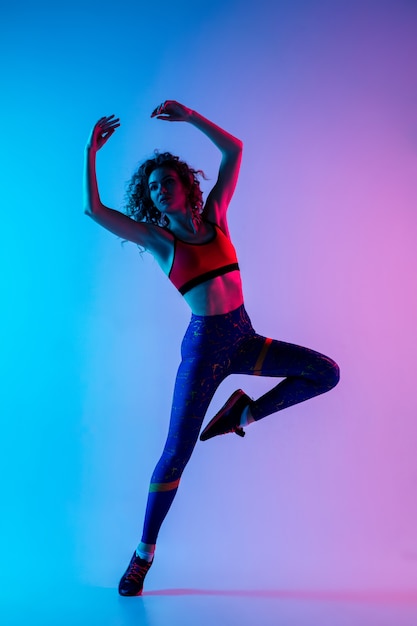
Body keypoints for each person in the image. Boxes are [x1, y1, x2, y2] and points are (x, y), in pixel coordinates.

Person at [83, 100, 340, 596]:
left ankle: (241, 415)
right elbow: (94, 210)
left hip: (244, 338)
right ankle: (143, 556)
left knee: (325, 373)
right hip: (204, 350)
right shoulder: (158, 241)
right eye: (153, 187)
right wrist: (91, 153)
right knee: (176, 453)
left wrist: (193, 118)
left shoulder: (217, 218)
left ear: (184, 184)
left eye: (167, 182)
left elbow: (234, 150)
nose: (160, 191)